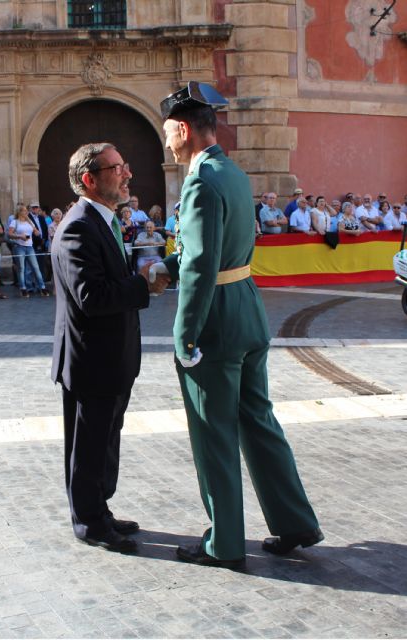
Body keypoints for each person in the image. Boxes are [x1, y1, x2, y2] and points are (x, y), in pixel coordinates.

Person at [145, 81, 323, 568]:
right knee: (259, 421)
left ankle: (223, 545)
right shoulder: (234, 173)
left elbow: (202, 265)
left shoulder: (200, 181)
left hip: (216, 319)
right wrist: (168, 265)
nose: (166, 142)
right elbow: (216, 250)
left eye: (166, 133)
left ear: (183, 129)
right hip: (247, 307)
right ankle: (295, 523)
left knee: (214, 432)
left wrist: (185, 335)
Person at [50, 142, 168, 553]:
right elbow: (91, 296)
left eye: (124, 165)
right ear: (90, 179)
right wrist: (143, 284)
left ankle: (100, 509)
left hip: (111, 358)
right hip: (91, 361)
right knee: (89, 445)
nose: (127, 174)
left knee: (105, 440)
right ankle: (90, 522)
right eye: (117, 168)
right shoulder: (79, 226)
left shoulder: (104, 221)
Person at [8, 204, 50, 298]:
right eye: (24, 210)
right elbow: (9, 234)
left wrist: (36, 232)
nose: (26, 212)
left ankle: (42, 287)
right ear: (19, 212)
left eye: (26, 210)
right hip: (19, 247)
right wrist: (19, 236)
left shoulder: (29, 221)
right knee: (22, 268)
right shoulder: (15, 222)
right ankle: (23, 288)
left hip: (30, 247)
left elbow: (35, 231)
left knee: (36, 267)